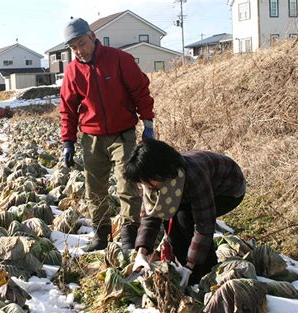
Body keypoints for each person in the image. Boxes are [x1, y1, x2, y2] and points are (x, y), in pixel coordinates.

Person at [59, 17, 155, 252]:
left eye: (82, 44)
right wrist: (68, 141)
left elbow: (140, 91)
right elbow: (68, 108)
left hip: (123, 134)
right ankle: (101, 236)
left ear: (92, 37)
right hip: (92, 138)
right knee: (94, 188)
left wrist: (148, 124)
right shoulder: (72, 71)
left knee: (127, 184)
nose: (79, 51)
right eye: (74, 48)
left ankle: (128, 236)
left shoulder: (119, 59)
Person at [125, 139, 246, 286]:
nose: (146, 186)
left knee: (185, 220)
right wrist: (141, 253)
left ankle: (206, 274)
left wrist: (190, 266)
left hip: (228, 190)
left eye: (148, 181)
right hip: (193, 192)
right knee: (174, 224)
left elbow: (204, 226)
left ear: (160, 173)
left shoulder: (194, 174)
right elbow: (151, 215)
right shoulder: (155, 181)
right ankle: (185, 269)